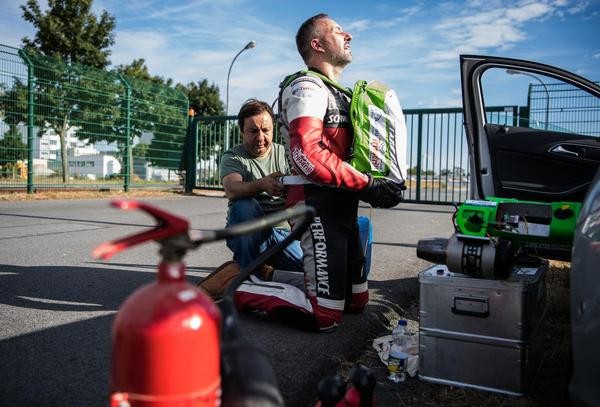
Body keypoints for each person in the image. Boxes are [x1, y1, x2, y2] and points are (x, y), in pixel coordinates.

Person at [228, 13, 404, 332]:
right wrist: (368, 185)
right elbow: (306, 155)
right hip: (314, 204)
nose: (348, 35)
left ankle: (272, 275)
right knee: (324, 316)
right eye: (338, 31)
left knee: (355, 304)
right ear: (317, 44)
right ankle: (239, 285)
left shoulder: (343, 93)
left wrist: (385, 182)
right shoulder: (305, 86)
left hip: (343, 203)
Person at [199, 99, 303, 298]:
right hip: (250, 233)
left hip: (283, 234)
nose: (261, 137)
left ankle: (251, 273)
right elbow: (231, 188)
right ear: (241, 131)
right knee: (244, 205)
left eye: (266, 130)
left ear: (273, 128)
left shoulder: (285, 154)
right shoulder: (233, 156)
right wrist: (262, 184)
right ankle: (250, 277)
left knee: (312, 272)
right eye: (253, 131)